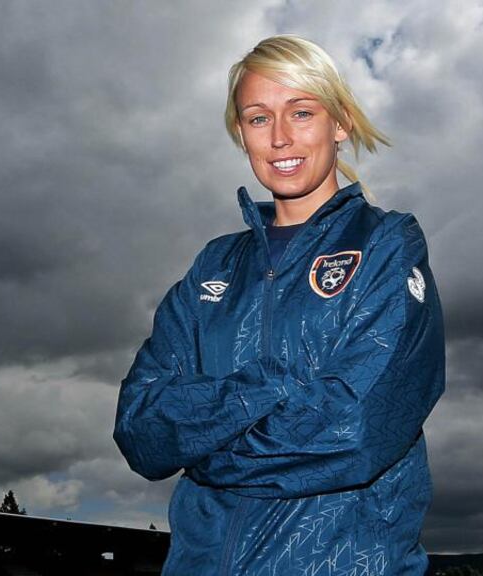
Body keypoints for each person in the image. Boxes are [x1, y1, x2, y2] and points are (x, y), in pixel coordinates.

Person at [114, 34, 445, 575]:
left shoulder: (388, 244)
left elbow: (356, 430)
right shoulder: (213, 267)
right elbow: (140, 431)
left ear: (339, 124)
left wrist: (200, 445)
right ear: (241, 134)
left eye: (302, 111)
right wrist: (269, 388)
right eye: (259, 118)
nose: (281, 137)